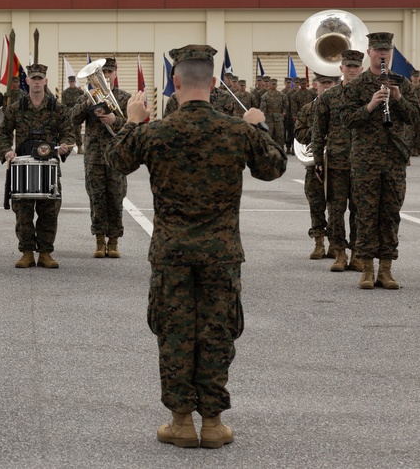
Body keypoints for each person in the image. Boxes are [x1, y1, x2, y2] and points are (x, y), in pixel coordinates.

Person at [107, 44, 286, 449]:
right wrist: (258, 125)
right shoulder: (236, 130)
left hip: (172, 252)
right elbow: (273, 167)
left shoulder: (156, 131)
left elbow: (116, 160)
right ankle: (214, 423)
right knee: (217, 332)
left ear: (175, 81)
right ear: (213, 83)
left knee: (174, 333)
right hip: (221, 253)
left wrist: (133, 122)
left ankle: (181, 422)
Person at [342, 32, 420, 289]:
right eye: (378, 50)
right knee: (365, 213)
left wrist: (397, 97)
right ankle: (366, 268)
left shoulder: (403, 83)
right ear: (369, 52)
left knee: (390, 214)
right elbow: (346, 121)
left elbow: (414, 117)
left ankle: (385, 269)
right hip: (366, 160)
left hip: (394, 158)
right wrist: (370, 106)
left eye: (386, 50)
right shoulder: (356, 86)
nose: (382, 54)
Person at [0, 64, 75, 268]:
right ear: (28, 81)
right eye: (34, 78)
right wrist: (7, 151)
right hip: (23, 166)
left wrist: (65, 145)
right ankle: (27, 252)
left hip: (48, 166)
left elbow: (69, 132)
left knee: (49, 210)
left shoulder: (56, 108)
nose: (37, 81)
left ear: (45, 81)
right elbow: (2, 133)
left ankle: (46, 253)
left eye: (41, 78)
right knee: (23, 211)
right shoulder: (17, 107)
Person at [69, 58, 131, 259]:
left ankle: (113, 242)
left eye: (109, 72)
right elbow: (73, 120)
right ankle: (99, 240)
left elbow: (134, 126)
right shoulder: (87, 96)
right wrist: (87, 103)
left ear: (115, 73)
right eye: (102, 72)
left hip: (116, 157)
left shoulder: (124, 98)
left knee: (116, 199)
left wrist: (116, 120)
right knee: (96, 200)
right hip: (94, 157)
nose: (105, 76)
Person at [311, 52, 365, 270]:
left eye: (355, 66)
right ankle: (340, 253)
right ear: (341, 68)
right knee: (336, 211)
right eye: (348, 66)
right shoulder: (329, 96)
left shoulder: (369, 95)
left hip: (362, 163)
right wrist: (317, 160)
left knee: (360, 210)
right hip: (336, 163)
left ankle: (358, 254)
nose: (352, 70)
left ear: (361, 69)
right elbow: (318, 130)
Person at [294, 75, 336, 260]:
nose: (326, 87)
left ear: (335, 84)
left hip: (337, 162)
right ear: (316, 85)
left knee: (337, 206)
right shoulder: (307, 109)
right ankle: (319, 243)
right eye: (323, 83)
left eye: (330, 83)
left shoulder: (340, 106)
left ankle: (336, 245)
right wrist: (318, 130)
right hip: (315, 164)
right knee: (316, 204)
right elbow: (299, 134)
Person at [62, 75, 86, 153]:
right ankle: (66, 148)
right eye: (70, 82)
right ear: (69, 82)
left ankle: (79, 147)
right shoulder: (65, 93)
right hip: (69, 113)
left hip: (77, 112)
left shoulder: (80, 92)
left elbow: (82, 103)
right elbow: (64, 105)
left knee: (78, 130)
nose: (71, 83)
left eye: (73, 82)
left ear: (75, 82)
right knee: (67, 130)